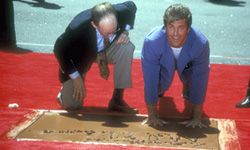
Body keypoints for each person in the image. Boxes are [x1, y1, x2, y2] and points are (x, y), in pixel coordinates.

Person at [54, 1, 138, 114]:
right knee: (72, 105)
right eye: (107, 33)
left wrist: (125, 31)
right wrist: (75, 77)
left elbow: (132, 6)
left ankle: (117, 99)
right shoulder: (77, 28)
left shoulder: (122, 11)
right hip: (82, 56)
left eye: (115, 30)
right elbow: (59, 48)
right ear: (94, 24)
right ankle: (65, 92)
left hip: (107, 49)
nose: (112, 35)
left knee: (127, 47)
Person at [141, 4, 210, 128]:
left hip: (188, 63)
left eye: (181, 28)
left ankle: (187, 87)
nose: (175, 34)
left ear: (188, 29)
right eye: (171, 27)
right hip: (163, 61)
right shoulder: (152, 42)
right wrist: (152, 115)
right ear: (165, 27)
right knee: (159, 84)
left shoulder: (200, 43)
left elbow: (201, 78)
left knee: (191, 79)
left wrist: (197, 117)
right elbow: (150, 79)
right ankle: (160, 92)